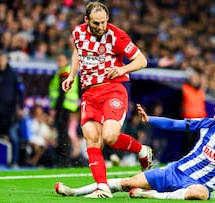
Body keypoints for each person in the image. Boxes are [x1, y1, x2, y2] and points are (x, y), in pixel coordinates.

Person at [55, 94, 215, 200]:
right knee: (127, 183)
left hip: (196, 185)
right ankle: (74, 192)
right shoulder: (207, 124)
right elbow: (176, 124)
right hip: (174, 171)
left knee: (201, 195)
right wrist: (151, 119)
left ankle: (152, 196)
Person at [61, 1, 153, 198]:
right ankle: (102, 187)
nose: (101, 27)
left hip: (113, 89)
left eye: (104, 22)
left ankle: (142, 150)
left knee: (110, 137)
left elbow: (142, 60)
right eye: (96, 23)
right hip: (89, 93)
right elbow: (78, 51)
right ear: (86, 20)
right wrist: (71, 75)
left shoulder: (116, 35)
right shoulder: (77, 33)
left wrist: (123, 69)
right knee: (92, 139)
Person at [49, 52, 80, 167]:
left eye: (61, 60)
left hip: (64, 107)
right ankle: (64, 160)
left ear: (66, 61)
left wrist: (56, 110)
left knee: (63, 135)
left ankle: (64, 161)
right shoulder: (68, 71)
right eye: (57, 60)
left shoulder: (65, 72)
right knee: (63, 134)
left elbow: (62, 91)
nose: (58, 62)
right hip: (67, 107)